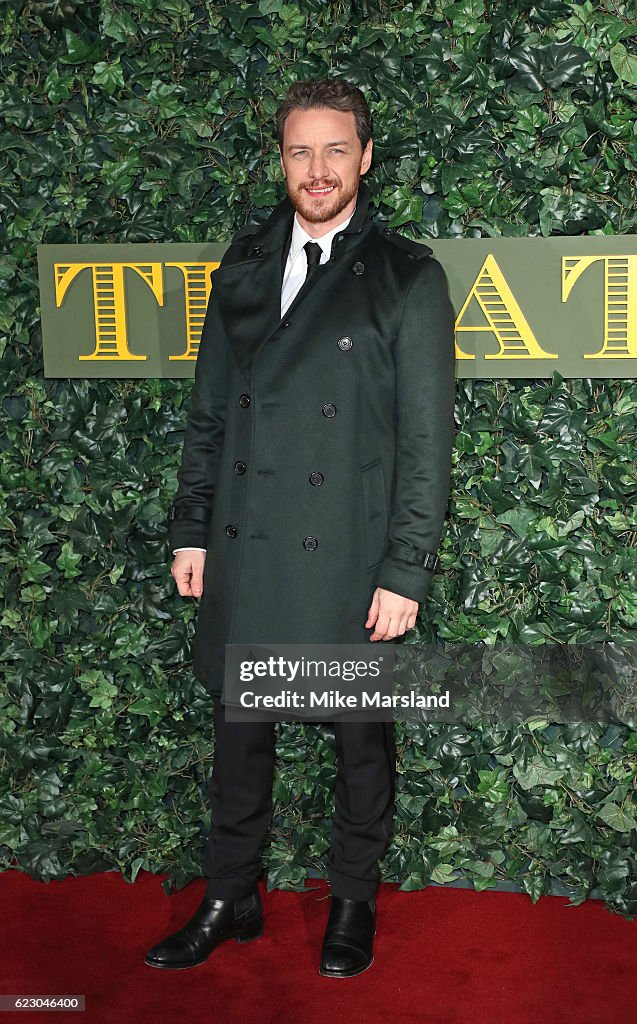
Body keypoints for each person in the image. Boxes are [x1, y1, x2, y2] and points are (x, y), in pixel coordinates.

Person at [145, 77, 456, 978]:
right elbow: (209, 417)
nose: (314, 170)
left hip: (348, 558)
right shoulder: (240, 269)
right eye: (297, 151)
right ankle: (229, 893)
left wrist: (405, 570)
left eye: (333, 150)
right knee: (239, 736)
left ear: (364, 157)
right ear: (280, 160)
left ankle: (352, 897)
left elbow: (425, 445)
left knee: (361, 740)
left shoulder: (405, 277)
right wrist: (191, 529)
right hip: (245, 544)